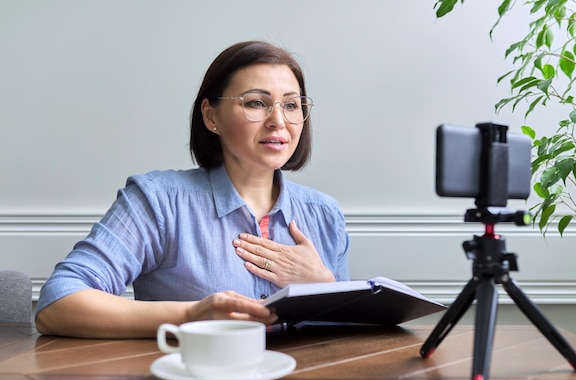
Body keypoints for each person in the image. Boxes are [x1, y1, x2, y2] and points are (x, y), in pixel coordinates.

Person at [35, 40, 350, 338]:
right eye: (257, 103)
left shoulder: (325, 214)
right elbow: (56, 303)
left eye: (292, 105)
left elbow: (350, 342)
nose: (279, 121)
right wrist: (190, 316)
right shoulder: (158, 201)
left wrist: (325, 285)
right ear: (211, 116)